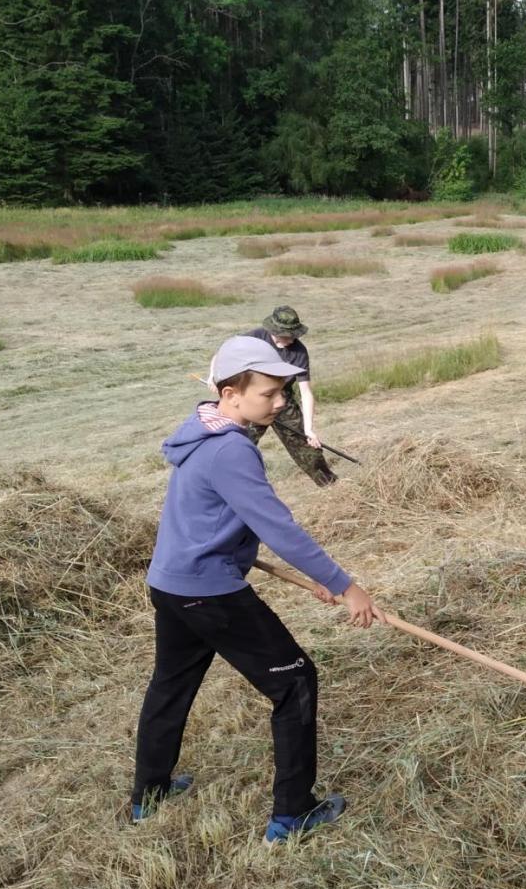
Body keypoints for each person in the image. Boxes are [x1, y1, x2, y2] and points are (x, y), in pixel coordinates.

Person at [132, 334, 383, 842]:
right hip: (210, 593)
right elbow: (279, 527)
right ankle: (292, 814)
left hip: (172, 584)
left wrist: (304, 576)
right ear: (230, 393)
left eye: (282, 392)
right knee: (295, 683)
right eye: (268, 392)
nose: (280, 401)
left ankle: (148, 795)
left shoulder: (199, 434)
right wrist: (345, 585)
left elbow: (208, 520)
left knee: (171, 686)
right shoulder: (231, 451)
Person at [244, 306, 336, 487]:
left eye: (293, 335)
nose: (290, 339)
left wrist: (309, 429)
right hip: (253, 397)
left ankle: (331, 486)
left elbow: (305, 392)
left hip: (282, 399)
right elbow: (225, 352)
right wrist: (214, 377)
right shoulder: (254, 338)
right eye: (285, 335)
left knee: (306, 447)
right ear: (273, 330)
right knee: (239, 441)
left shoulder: (299, 352)